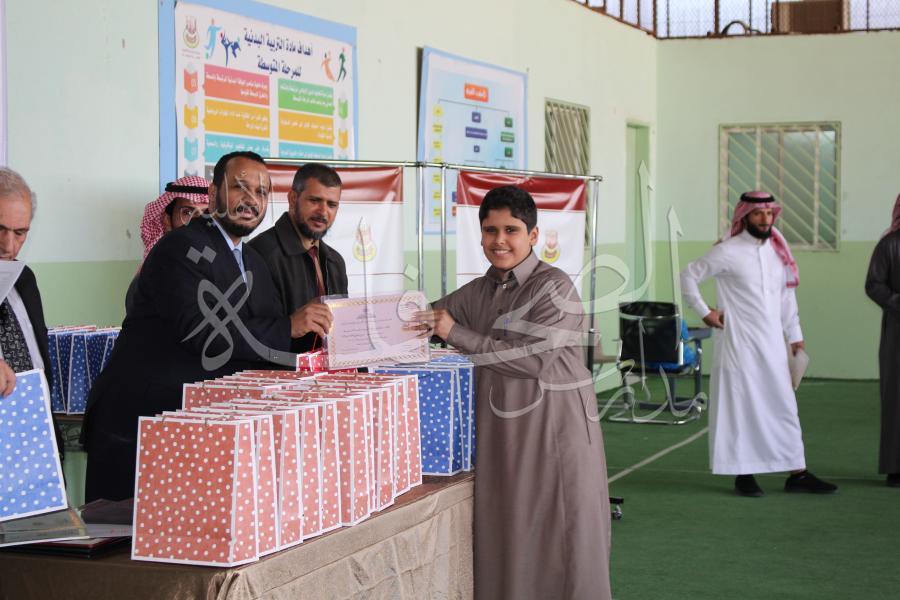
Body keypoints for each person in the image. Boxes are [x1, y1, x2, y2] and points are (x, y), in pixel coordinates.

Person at [418, 186, 611, 600]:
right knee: (508, 533)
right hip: (502, 435)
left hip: (553, 434)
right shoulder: (480, 290)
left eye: (511, 230)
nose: (499, 240)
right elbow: (423, 319)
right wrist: (355, 323)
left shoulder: (554, 287)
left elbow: (533, 359)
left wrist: (455, 333)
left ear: (533, 235)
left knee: (559, 539)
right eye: (490, 230)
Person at [83, 151, 312, 502]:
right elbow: (205, 335)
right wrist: (288, 328)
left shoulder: (252, 260)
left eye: (262, 192)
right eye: (240, 187)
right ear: (213, 193)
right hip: (143, 420)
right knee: (128, 532)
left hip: (197, 424)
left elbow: (268, 332)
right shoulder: (181, 247)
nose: (252, 199)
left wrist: (318, 340)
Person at [681, 191, 837, 497]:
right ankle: (744, 475)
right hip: (739, 345)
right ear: (745, 216)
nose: (765, 219)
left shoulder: (778, 250)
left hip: (774, 345)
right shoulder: (727, 251)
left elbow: (786, 296)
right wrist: (705, 312)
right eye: (758, 214)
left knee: (784, 406)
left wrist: (794, 334)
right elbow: (688, 275)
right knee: (741, 407)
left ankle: (798, 473)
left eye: (769, 214)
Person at [249, 163, 347, 353]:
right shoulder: (258, 253)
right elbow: (246, 334)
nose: (323, 212)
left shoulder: (336, 261)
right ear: (293, 198)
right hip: (276, 371)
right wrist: (290, 325)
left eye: (331, 204)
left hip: (329, 372)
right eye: (315, 200)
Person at [0, 167, 59, 456]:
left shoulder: (24, 279)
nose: (8, 246)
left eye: (20, 233)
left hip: (34, 447)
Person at [125, 176, 210, 312]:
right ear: (167, 220)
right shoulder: (155, 269)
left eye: (206, 213)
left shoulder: (219, 260)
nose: (198, 220)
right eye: (187, 212)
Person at [864, 194, 900, 488]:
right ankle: (895, 468)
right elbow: (874, 285)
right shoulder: (889, 245)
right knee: (897, 399)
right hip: (897, 333)